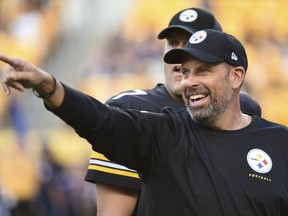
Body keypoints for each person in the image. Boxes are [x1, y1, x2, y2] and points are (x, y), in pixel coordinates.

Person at [2, 29, 286, 215]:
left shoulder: (279, 143)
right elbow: (103, 122)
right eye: (185, 72)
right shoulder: (165, 134)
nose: (190, 82)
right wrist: (49, 87)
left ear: (236, 76)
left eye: (203, 71)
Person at [84, 7, 261, 216]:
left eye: (191, 45)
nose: (179, 61)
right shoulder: (130, 108)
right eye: (173, 44)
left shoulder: (245, 110)